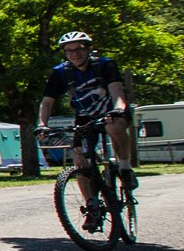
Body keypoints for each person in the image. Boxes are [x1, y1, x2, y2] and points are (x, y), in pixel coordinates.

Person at [36, 31, 134, 207]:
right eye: (69, 50)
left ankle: (125, 168)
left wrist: (119, 108)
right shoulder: (61, 72)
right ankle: (91, 205)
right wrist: (42, 124)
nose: (75, 54)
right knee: (80, 159)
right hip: (85, 117)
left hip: (111, 113)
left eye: (79, 49)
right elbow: (47, 102)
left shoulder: (105, 65)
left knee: (114, 127)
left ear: (89, 49)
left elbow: (117, 91)